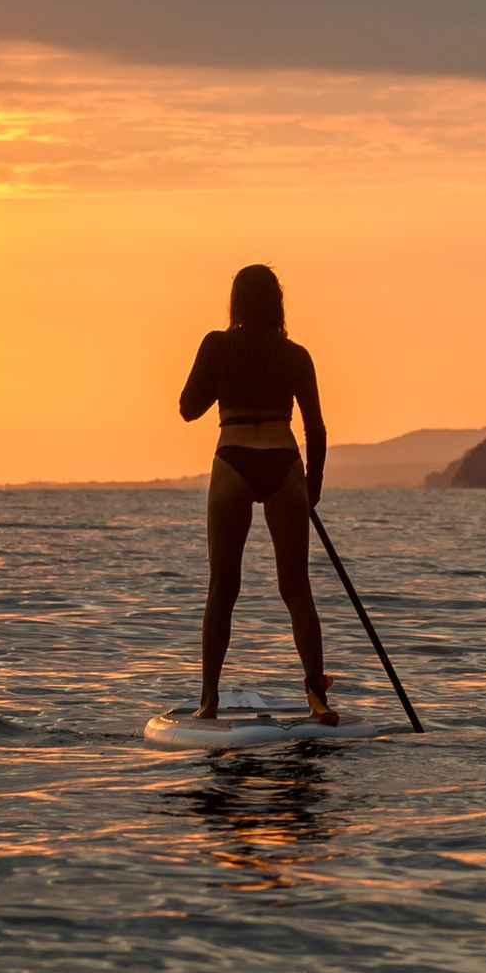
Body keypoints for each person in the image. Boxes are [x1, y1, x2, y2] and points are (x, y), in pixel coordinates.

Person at [178, 263, 337, 722]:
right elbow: (315, 427)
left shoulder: (218, 344)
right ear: (277, 304)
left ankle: (208, 701)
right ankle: (317, 696)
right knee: (297, 588)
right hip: (284, 463)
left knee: (222, 589)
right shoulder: (296, 354)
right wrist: (313, 485)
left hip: (234, 461)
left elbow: (188, 409)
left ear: (236, 303)